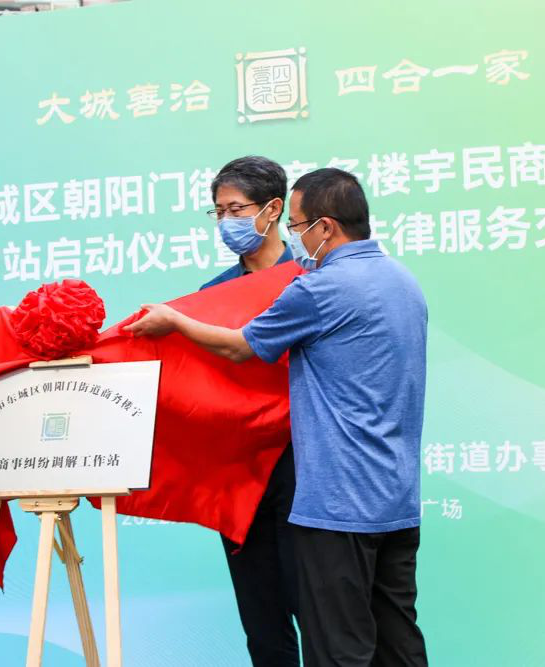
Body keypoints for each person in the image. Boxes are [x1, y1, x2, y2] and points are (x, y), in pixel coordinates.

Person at [126, 168, 429, 666]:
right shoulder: (403, 281)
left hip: (333, 500)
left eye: (298, 224)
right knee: (396, 641)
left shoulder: (317, 287)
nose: (296, 234)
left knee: (338, 647)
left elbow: (240, 346)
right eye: (218, 212)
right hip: (392, 495)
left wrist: (176, 321)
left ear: (325, 226)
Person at [201, 156, 300, 667]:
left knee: (322, 611)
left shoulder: (313, 278)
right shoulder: (211, 296)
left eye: (236, 210)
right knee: (262, 621)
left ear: (273, 209)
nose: (226, 222)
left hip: (305, 465)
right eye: (218, 212)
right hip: (239, 473)